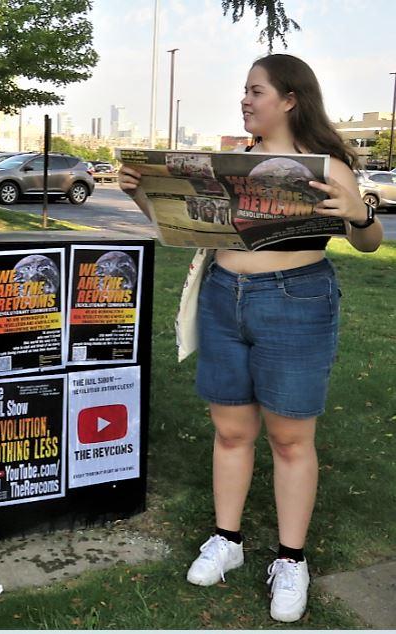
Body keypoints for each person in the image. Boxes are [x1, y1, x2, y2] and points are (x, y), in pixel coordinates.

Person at [119, 54, 382, 622]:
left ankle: (291, 559)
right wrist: (143, 192)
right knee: (230, 429)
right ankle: (227, 541)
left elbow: (367, 243)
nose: (245, 99)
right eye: (243, 90)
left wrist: (361, 215)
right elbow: (178, 226)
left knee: (290, 438)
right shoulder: (229, 164)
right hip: (221, 298)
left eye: (255, 90)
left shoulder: (327, 166)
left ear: (289, 99)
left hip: (296, 301)